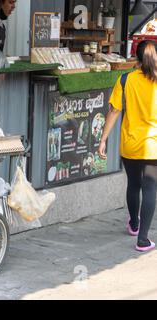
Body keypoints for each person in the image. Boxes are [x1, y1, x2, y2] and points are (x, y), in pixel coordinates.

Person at [98, 40, 157, 252]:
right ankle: (143, 240)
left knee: (134, 184)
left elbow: (114, 111)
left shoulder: (125, 79)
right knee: (151, 187)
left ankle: (134, 223)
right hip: (153, 146)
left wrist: (103, 139)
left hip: (130, 145)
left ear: (136, 59)